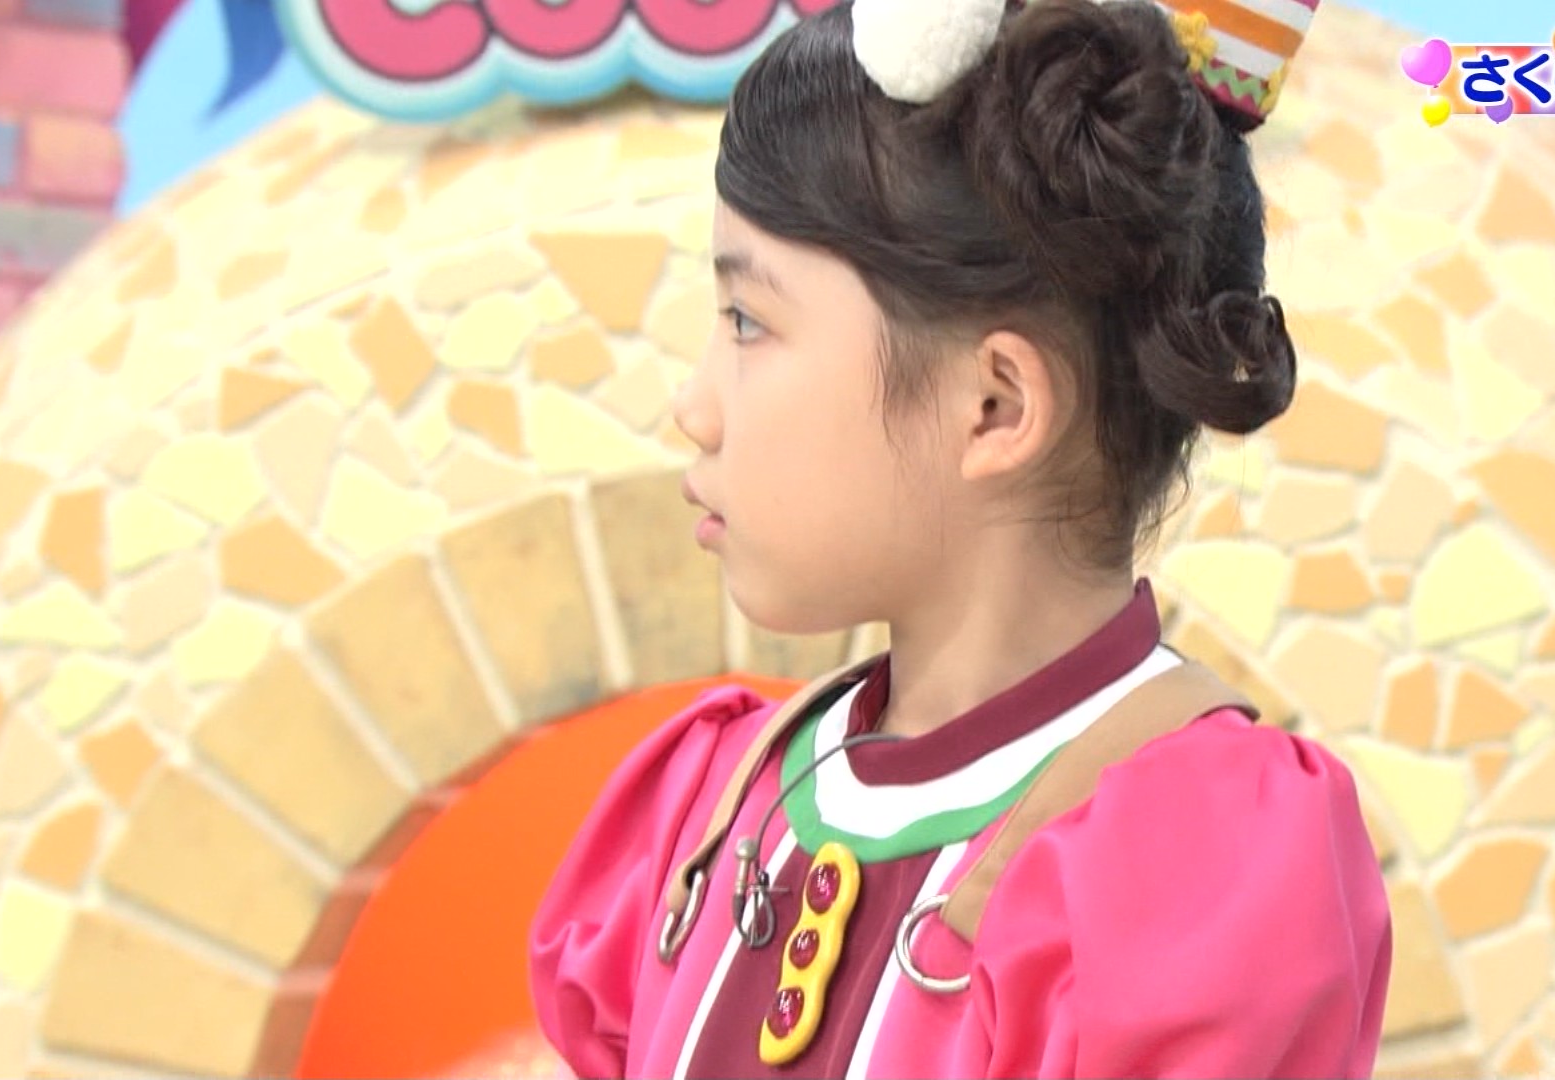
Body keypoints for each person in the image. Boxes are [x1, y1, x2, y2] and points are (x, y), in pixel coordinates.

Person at [529, 1, 1392, 1076]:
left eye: (748, 321)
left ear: (993, 406)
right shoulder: (715, 800)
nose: (694, 406)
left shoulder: (1193, 871)